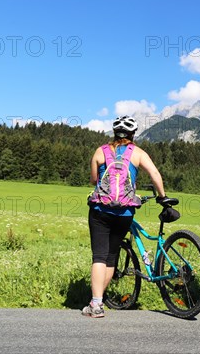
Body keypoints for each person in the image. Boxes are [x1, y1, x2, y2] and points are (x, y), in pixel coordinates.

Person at [82, 115, 172, 318]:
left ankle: (96, 304)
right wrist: (163, 197)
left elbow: (94, 180)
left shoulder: (100, 151)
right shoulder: (138, 153)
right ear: (132, 134)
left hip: (100, 210)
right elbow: (155, 174)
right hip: (125, 213)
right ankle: (99, 300)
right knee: (112, 256)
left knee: (99, 256)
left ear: (114, 133)